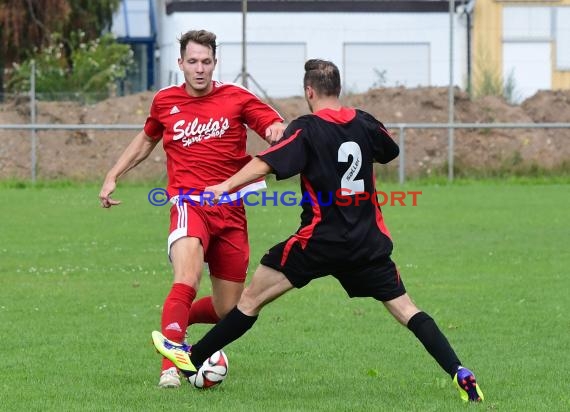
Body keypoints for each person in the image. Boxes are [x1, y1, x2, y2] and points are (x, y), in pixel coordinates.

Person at [151, 59, 484, 402]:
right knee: (407, 310)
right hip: (367, 243)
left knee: (250, 301)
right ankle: (459, 370)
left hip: (318, 240)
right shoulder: (363, 121)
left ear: (308, 91)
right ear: (337, 89)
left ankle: (190, 358)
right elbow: (390, 149)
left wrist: (225, 186)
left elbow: (266, 163)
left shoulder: (306, 127)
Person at [99, 29, 285, 388]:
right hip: (188, 204)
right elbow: (146, 139)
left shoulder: (237, 98)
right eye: (193, 61)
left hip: (231, 209)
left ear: (215, 63)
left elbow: (272, 125)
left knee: (227, 310)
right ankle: (170, 365)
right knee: (186, 277)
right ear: (180, 62)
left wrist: (277, 130)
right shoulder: (165, 101)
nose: (200, 69)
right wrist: (113, 174)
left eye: (207, 62)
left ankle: (176, 325)